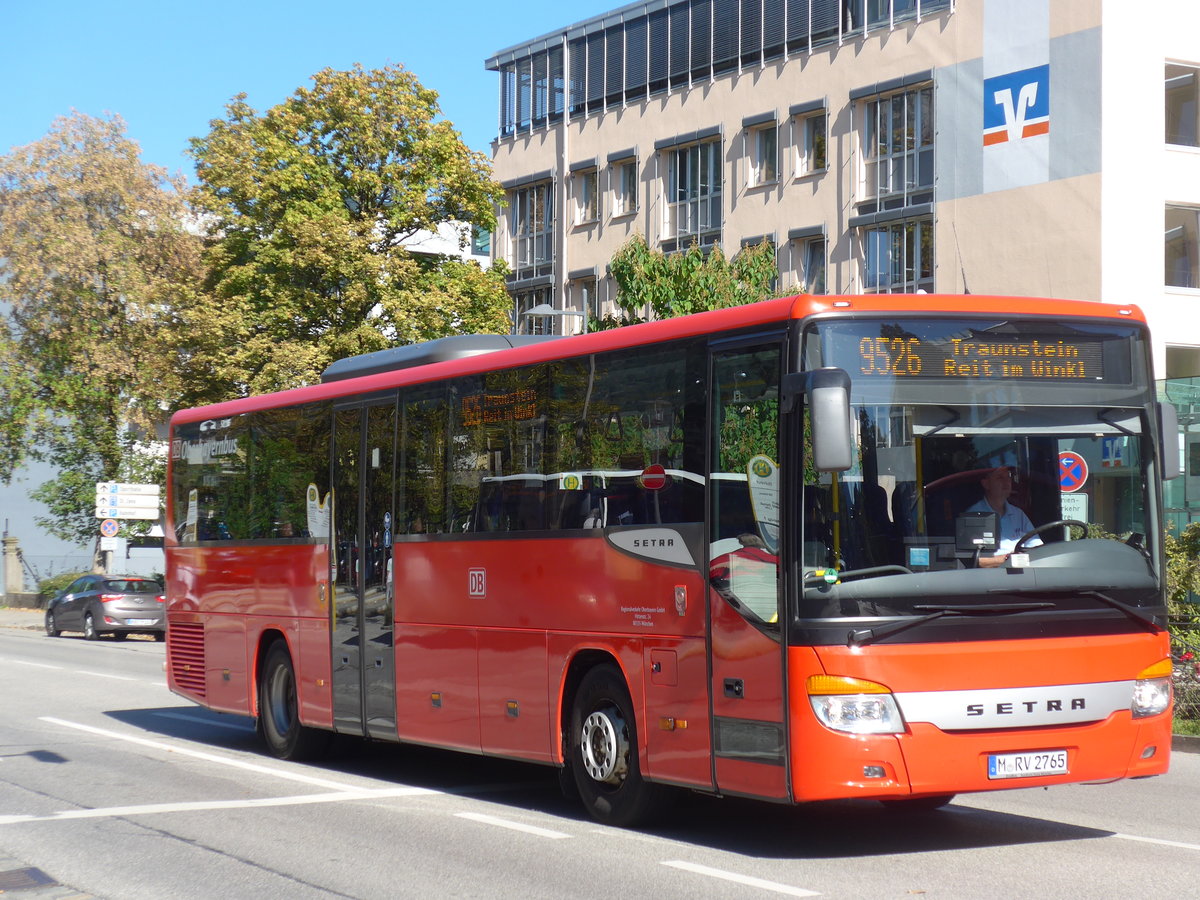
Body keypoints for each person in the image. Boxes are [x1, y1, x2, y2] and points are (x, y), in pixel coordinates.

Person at [965, 466, 1040, 567]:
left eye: (1008, 477)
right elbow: (971, 560)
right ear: (986, 484)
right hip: (989, 578)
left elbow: (1037, 548)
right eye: (1000, 477)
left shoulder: (1018, 514)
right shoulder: (973, 515)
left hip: (1022, 574)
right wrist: (1006, 559)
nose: (1006, 482)